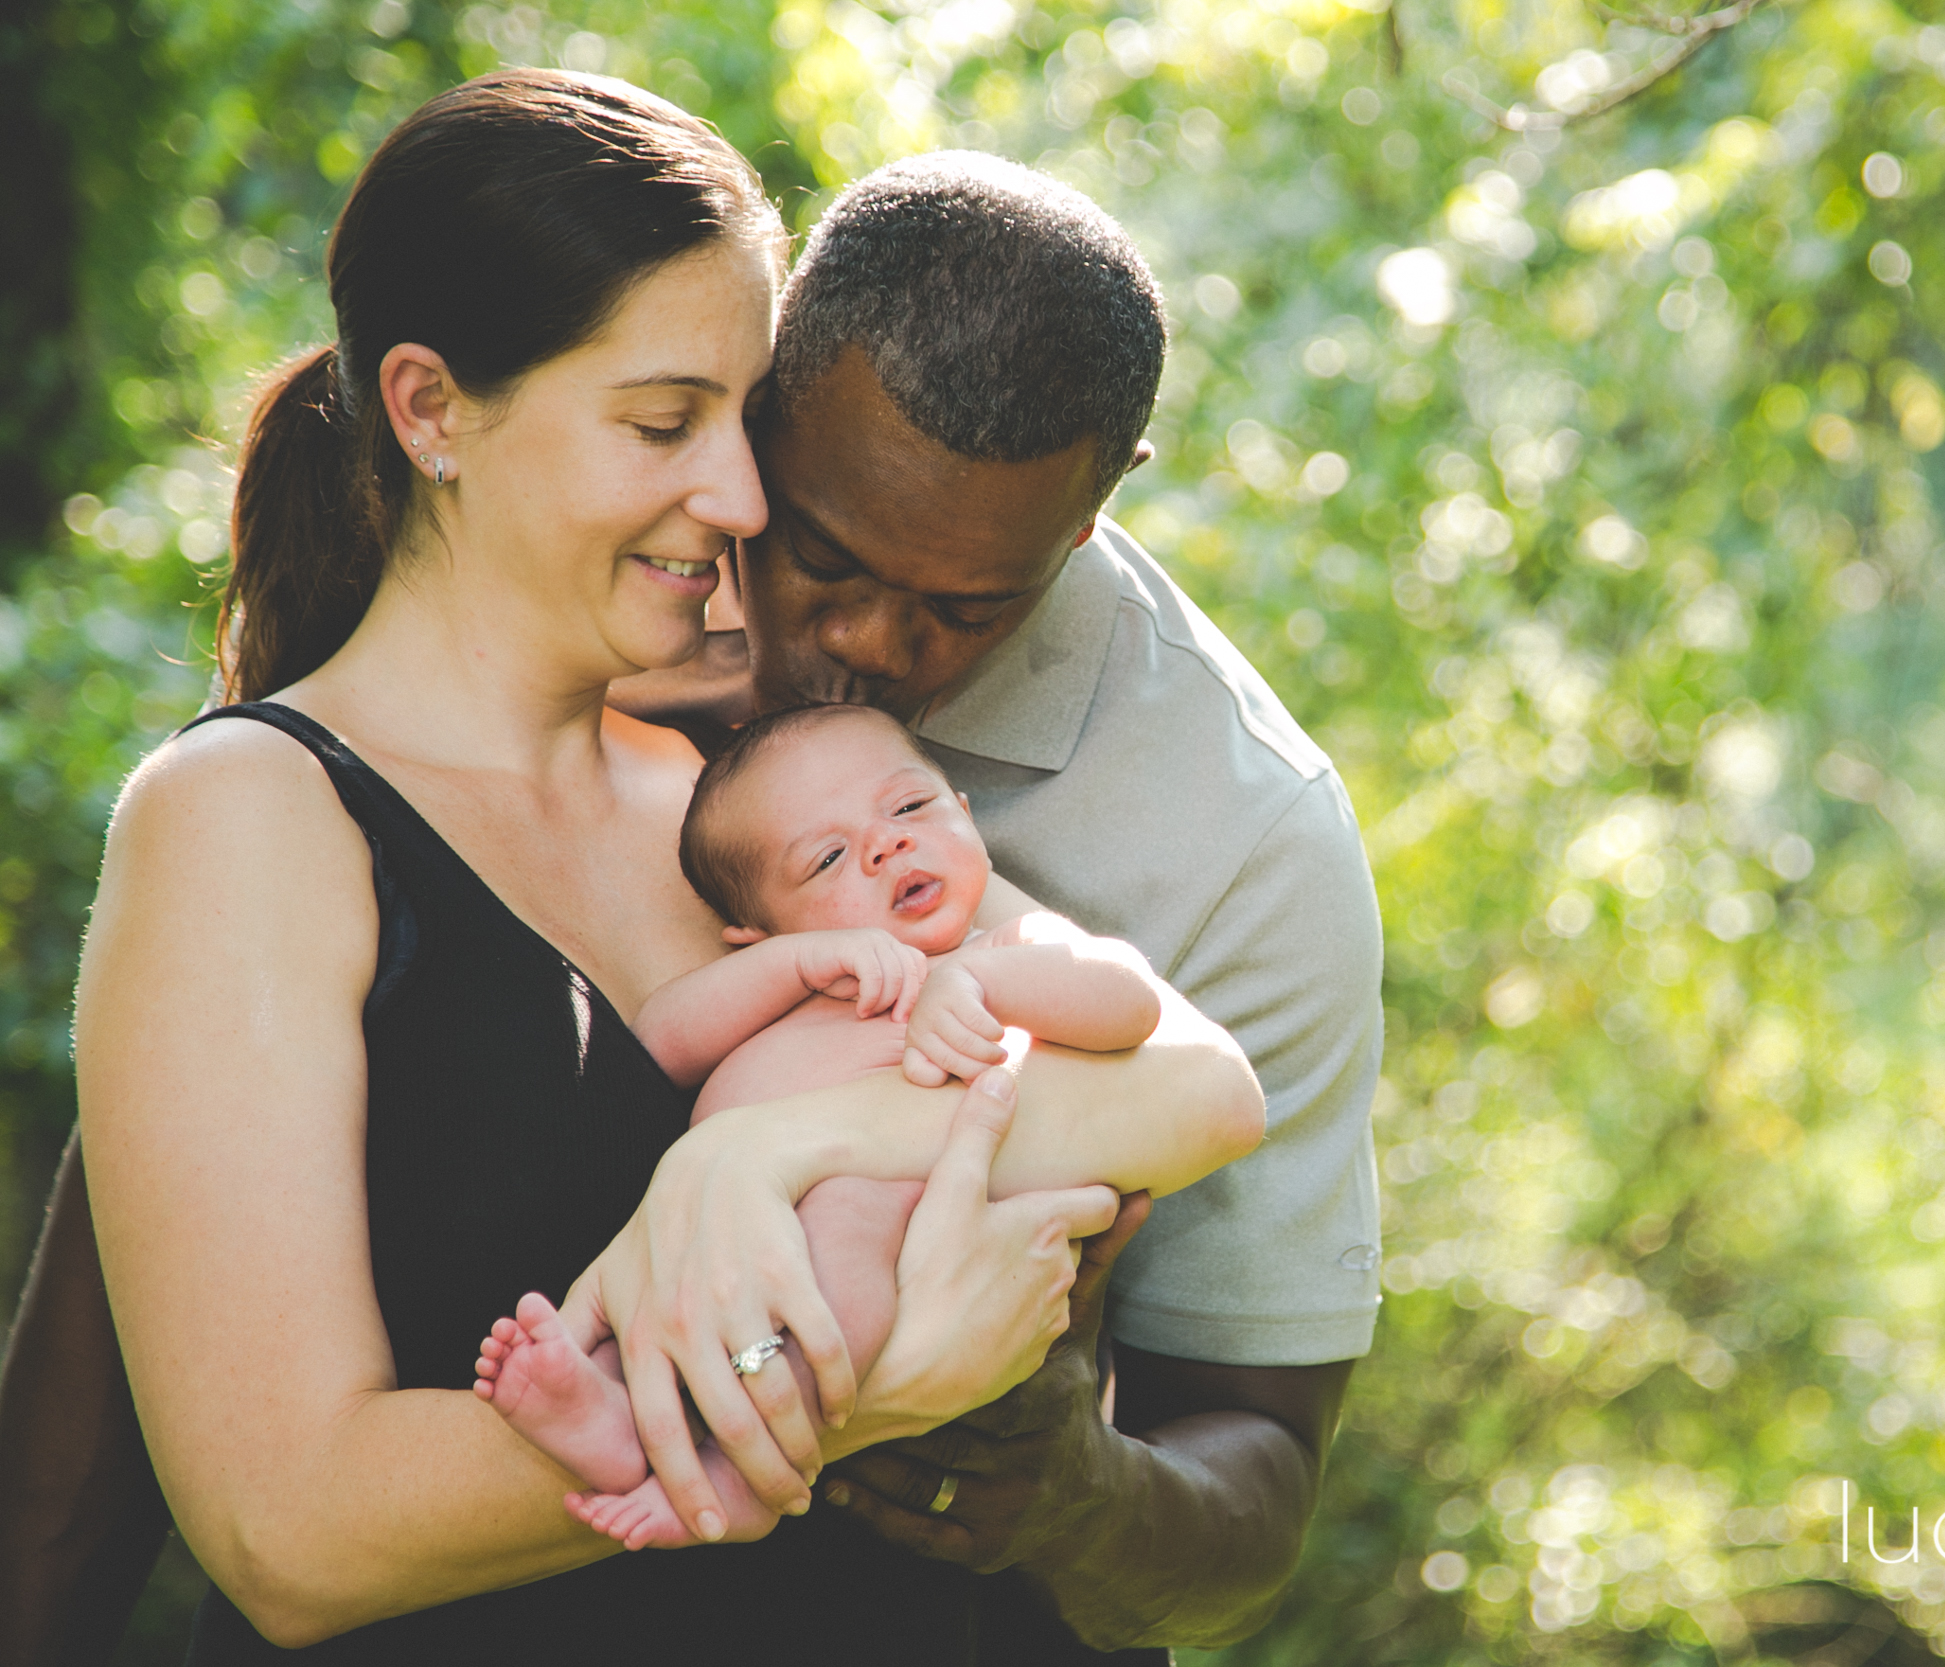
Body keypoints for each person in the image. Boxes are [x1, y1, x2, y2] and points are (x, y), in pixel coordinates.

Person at [51, 69, 1260, 1662]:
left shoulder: (742, 796)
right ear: (431, 411)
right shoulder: (249, 814)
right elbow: (291, 1525)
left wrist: (759, 1158)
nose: (746, 496)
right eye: (663, 421)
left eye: (742, 420)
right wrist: (843, 1398)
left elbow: (1196, 1084)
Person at [615, 151, 1388, 1656]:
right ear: (761, 404)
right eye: (821, 553)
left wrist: (1071, 1490)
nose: (864, 641)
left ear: (1091, 522)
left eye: (967, 606)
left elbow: (1258, 1472)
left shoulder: (1246, 834)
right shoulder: (599, 555)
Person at [475, 702, 1264, 1553]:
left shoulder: (1011, 942)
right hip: (718, 1223)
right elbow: (659, 1043)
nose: (886, 844)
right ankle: (605, 1402)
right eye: (826, 857)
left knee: (837, 1299)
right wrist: (798, 963)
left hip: (872, 1197)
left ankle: (744, 1480)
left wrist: (979, 983)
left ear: (966, 814)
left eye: (910, 808)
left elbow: (1129, 1002)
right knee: (672, 1307)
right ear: (757, 927)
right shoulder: (792, 976)